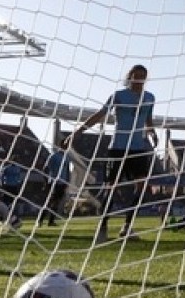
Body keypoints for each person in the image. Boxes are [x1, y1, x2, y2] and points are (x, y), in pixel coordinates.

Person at [63, 64, 159, 244]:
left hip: (138, 149)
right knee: (111, 188)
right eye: (136, 76)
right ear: (129, 77)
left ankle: (127, 226)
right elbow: (100, 114)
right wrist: (77, 132)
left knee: (141, 186)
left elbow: (148, 120)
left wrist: (152, 132)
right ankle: (103, 226)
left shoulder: (149, 98)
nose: (139, 79)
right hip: (118, 148)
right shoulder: (118, 96)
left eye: (142, 76)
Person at [41, 143, 71, 226]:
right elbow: (45, 169)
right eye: (65, 145)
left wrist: (67, 182)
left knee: (57, 203)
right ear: (61, 145)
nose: (66, 147)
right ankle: (40, 220)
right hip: (54, 182)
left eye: (67, 146)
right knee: (50, 202)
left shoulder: (67, 157)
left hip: (62, 183)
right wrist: (46, 181)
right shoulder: (53, 156)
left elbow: (67, 170)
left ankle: (51, 221)